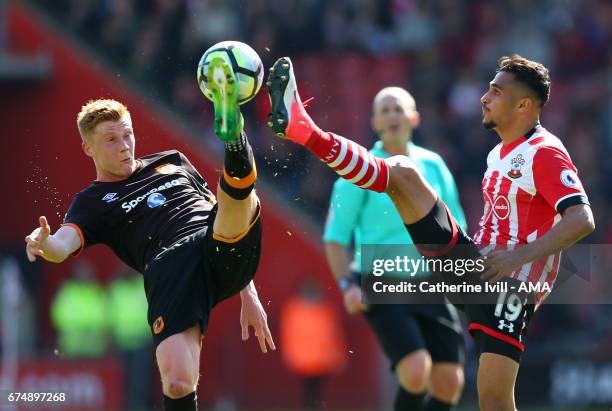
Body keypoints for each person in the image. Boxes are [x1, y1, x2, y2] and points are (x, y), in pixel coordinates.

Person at [267, 54, 595, 411]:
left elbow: (582, 218)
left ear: (524, 105)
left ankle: (305, 131)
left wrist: (518, 256)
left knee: (490, 400)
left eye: (496, 92)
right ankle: (304, 130)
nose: (484, 98)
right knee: (401, 174)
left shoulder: (544, 152)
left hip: (508, 290)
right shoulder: (500, 154)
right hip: (474, 272)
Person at [25, 56, 275, 411]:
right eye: (111, 139)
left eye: (127, 134)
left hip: (215, 236)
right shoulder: (92, 202)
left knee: (234, 200)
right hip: (169, 268)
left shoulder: (172, 160)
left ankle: (234, 136)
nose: (125, 145)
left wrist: (247, 291)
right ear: (88, 148)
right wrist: (44, 243)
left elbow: (213, 210)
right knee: (176, 382)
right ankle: (235, 151)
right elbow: (62, 246)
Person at [323, 86, 465, 411]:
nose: (392, 115)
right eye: (385, 110)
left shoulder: (434, 166)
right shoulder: (359, 170)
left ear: (414, 118)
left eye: (399, 109)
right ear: (374, 122)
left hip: (432, 284)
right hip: (381, 282)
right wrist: (347, 285)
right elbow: (335, 237)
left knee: (449, 383)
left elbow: (457, 227)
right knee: (416, 372)